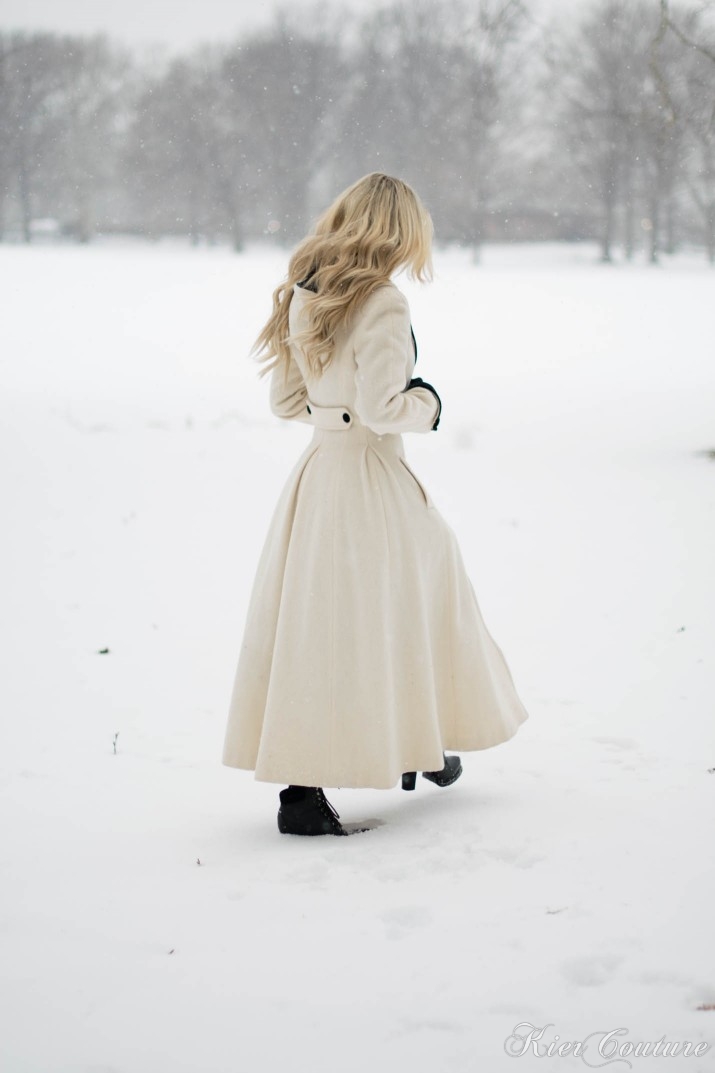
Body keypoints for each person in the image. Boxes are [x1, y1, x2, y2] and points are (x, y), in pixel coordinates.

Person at [221, 172, 529, 836]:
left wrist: (331, 412)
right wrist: (430, 403)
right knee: (419, 593)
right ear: (398, 232)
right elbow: (383, 407)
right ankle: (419, 741)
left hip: (318, 478)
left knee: (325, 624)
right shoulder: (381, 300)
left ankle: (402, 747)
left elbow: (284, 402)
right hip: (370, 476)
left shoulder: (306, 293)